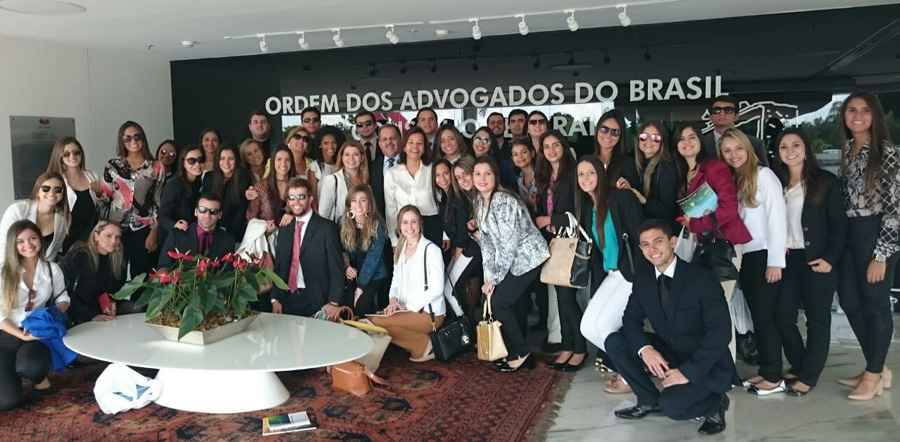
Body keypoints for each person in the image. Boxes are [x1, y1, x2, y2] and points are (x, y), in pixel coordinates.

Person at [605, 219, 736, 436]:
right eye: (645, 244)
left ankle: (715, 404)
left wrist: (687, 372)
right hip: (672, 352)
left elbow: (720, 332)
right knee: (614, 342)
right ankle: (648, 400)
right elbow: (630, 320)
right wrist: (645, 349)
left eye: (658, 241)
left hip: (705, 362)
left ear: (672, 242)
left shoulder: (702, 278)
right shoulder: (643, 279)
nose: (652, 249)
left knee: (672, 407)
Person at [772, 128, 847, 396]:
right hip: (787, 260)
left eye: (796, 145)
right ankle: (800, 363)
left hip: (816, 259)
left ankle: (809, 375)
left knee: (817, 321)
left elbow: (839, 224)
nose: (790, 151)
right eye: (783, 147)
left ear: (806, 150)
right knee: (782, 316)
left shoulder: (825, 182)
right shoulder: (777, 183)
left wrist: (830, 259)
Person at [836, 92, 899, 401]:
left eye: (865, 110)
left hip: (875, 232)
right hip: (850, 233)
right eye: (851, 110)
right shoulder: (849, 149)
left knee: (875, 304)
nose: (857, 116)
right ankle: (877, 366)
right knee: (849, 300)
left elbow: (895, 209)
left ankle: (873, 374)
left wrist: (881, 255)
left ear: (875, 116)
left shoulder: (886, 152)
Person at [674, 121, 751, 360]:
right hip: (701, 248)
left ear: (701, 140)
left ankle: (725, 369)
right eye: (681, 139)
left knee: (718, 309)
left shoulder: (715, 167)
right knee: (706, 310)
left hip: (724, 246)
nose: (687, 142)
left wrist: (696, 224)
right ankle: (713, 364)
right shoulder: (683, 174)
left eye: (692, 137)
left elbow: (729, 208)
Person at [718, 128, 787, 395]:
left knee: (766, 318)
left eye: (738, 148)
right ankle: (767, 369)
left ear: (748, 149)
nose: (733, 155)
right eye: (727, 150)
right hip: (747, 256)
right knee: (759, 317)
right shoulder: (736, 180)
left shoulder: (764, 175)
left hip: (765, 255)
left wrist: (775, 262)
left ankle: (774, 376)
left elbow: (777, 219)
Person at [473, 156, 549, 372]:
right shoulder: (479, 201)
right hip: (509, 260)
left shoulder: (503, 201)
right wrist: (488, 278)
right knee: (491, 299)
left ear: (495, 176)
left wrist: (495, 279)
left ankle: (521, 352)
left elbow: (509, 245)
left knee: (499, 303)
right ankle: (510, 349)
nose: (482, 178)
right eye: (477, 174)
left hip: (528, 257)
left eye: (487, 173)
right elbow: (486, 244)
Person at [577, 155, 647, 377]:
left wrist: (639, 277)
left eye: (591, 172)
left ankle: (630, 375)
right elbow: (597, 258)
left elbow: (640, 238)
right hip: (610, 275)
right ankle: (636, 364)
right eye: (581, 174)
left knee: (604, 327)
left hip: (630, 274)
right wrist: (595, 292)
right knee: (587, 327)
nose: (586, 178)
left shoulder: (621, 198)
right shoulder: (589, 209)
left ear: (601, 174)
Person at [0, 220, 70, 411]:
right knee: (7, 402)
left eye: (32, 238)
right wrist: (21, 335)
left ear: (40, 239)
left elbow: (63, 297)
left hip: (36, 331)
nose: (28, 245)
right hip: (5, 336)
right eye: (20, 241)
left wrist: (52, 314)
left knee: (30, 366)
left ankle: (39, 379)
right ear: (13, 245)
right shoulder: (3, 272)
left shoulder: (52, 269)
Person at [370, 205, 445, 362]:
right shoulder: (400, 249)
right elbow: (395, 281)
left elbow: (437, 288)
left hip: (428, 314)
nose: (409, 227)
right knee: (374, 322)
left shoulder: (431, 250)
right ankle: (420, 343)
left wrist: (407, 306)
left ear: (420, 224)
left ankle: (423, 344)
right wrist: (393, 300)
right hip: (405, 310)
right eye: (405, 222)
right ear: (399, 226)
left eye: (413, 222)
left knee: (375, 323)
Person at [534, 131, 584, 368]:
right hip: (552, 244)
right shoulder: (545, 177)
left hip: (569, 244)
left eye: (556, 145)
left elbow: (580, 212)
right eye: (546, 146)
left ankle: (579, 349)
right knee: (562, 299)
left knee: (567, 300)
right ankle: (567, 346)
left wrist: (549, 220)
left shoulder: (574, 174)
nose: (551, 150)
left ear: (564, 147)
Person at [269, 178, 345, 317]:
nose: (296, 202)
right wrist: (275, 298)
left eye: (301, 197)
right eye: (292, 198)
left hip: (317, 301)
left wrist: (333, 303)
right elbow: (279, 266)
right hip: (287, 299)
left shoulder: (327, 228)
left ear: (310, 199)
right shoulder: (285, 229)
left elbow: (336, 268)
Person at [99, 121, 165, 278]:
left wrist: (154, 231)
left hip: (143, 226)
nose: (133, 141)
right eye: (127, 138)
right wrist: (97, 192)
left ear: (143, 138)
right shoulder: (112, 165)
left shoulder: (156, 167)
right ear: (121, 141)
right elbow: (106, 196)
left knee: (141, 274)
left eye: (137, 137)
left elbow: (159, 201)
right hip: (116, 225)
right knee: (115, 272)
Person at [384, 127, 441, 247]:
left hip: (432, 225)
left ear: (424, 149)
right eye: (410, 142)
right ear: (404, 147)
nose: (415, 146)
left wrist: (446, 234)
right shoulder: (392, 173)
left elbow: (443, 202)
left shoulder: (433, 169)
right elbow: (390, 209)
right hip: (406, 228)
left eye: (420, 143)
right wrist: (394, 239)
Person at [60, 221, 126, 324]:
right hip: (75, 308)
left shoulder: (117, 258)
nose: (114, 241)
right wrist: (91, 315)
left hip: (100, 307)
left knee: (134, 308)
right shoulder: (79, 255)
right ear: (96, 236)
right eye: (108, 236)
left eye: (117, 237)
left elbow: (116, 290)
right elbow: (64, 290)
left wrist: (111, 303)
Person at [621, 120, 680, 233]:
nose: (649, 141)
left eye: (655, 137)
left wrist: (644, 200)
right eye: (644, 136)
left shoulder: (666, 167)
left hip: (662, 233)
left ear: (662, 142)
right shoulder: (639, 164)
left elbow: (669, 211)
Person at [45, 136, 102, 252]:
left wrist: (100, 195)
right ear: (60, 157)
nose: (72, 157)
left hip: (91, 236)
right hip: (68, 236)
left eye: (76, 152)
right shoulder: (57, 180)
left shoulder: (92, 175)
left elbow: (100, 207)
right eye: (66, 154)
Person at [341, 185, 389, 316]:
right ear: (349, 204)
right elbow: (342, 250)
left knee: (361, 307)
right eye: (354, 200)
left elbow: (372, 259)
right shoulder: (344, 222)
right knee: (347, 308)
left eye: (363, 200)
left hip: (374, 273)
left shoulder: (377, 225)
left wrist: (360, 288)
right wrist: (347, 266)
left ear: (369, 204)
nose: (358, 205)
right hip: (354, 273)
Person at [0, 173, 70, 263]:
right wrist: (9, 270)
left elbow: (53, 251)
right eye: (46, 188)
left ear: (62, 193)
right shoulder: (16, 211)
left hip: (42, 268)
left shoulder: (64, 218)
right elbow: (3, 247)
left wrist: (45, 270)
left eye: (57, 189)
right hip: (14, 266)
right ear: (37, 192)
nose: (51, 193)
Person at [445, 157, 482, 321]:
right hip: (468, 247)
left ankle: (465, 327)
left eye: (466, 174)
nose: (463, 180)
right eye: (458, 177)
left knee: (449, 289)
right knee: (449, 286)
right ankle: (466, 324)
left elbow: (462, 235)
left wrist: (456, 256)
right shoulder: (464, 196)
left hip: (471, 249)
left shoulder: (482, 194)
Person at [158, 193, 236, 268]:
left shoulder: (228, 241)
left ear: (219, 215)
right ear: (196, 212)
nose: (207, 215)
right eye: (202, 210)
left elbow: (227, 272)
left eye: (213, 211)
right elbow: (163, 265)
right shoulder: (177, 234)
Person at [158, 145, 205, 250]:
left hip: (190, 236)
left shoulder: (199, 182)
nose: (197, 164)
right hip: (172, 239)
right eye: (191, 161)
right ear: (183, 163)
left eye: (200, 160)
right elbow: (162, 216)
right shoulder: (174, 184)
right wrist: (174, 224)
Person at [202, 143, 251, 242]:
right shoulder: (209, 177)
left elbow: (240, 212)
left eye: (231, 159)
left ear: (237, 160)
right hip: (210, 228)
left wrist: (228, 237)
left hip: (234, 232)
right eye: (222, 158)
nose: (226, 163)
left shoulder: (244, 179)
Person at [702, 95, 769, 166]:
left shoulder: (755, 143)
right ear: (710, 117)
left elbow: (763, 169)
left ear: (736, 116)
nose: (722, 114)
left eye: (728, 110)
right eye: (717, 110)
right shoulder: (700, 144)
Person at [246, 145, 297, 235]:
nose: (283, 163)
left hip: (293, 237)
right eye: (279, 159)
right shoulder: (261, 186)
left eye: (287, 159)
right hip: (267, 239)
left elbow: (305, 213)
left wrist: (294, 217)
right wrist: (265, 230)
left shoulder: (297, 185)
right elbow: (250, 218)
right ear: (273, 161)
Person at [318, 141, 369, 224]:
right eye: (347, 154)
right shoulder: (331, 181)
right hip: (339, 230)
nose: (351, 158)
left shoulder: (366, 183)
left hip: (363, 229)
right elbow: (323, 214)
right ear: (342, 157)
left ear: (362, 158)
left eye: (356, 154)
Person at [308, 125, 344, 210]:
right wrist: (317, 216)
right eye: (326, 143)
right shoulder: (315, 167)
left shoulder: (342, 164)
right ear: (320, 144)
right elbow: (313, 198)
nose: (330, 147)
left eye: (333, 142)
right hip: (322, 212)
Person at [371, 124, 402, 218]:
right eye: (384, 139)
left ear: (400, 140)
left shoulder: (409, 163)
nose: (389, 142)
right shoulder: (372, 166)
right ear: (380, 144)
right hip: (380, 220)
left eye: (393, 138)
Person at [595, 109, 628, 188]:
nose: (608, 135)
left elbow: (634, 193)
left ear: (620, 136)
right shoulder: (588, 161)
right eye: (604, 129)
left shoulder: (628, 164)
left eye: (615, 132)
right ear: (596, 130)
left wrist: (628, 189)